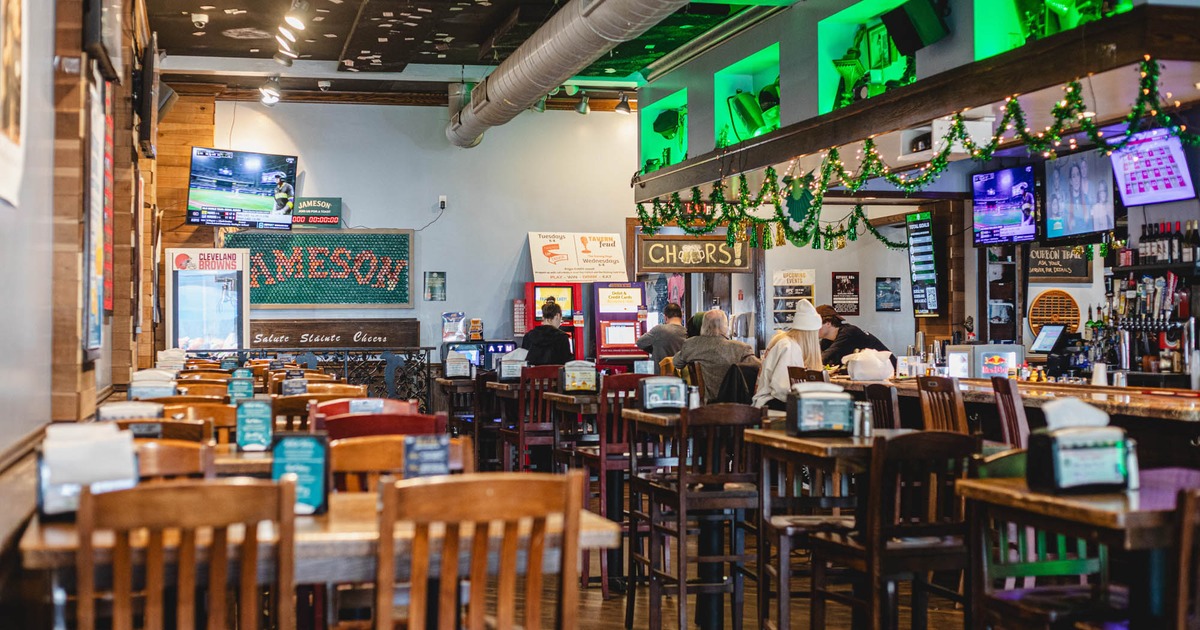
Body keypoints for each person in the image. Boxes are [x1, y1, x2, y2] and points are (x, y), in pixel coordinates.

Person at [673, 309, 759, 403]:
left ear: (704, 325)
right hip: (735, 401)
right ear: (725, 326)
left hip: (706, 402)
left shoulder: (691, 344)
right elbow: (759, 369)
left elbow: (676, 363)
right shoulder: (740, 348)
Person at [752, 301, 823, 410]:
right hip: (770, 406)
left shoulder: (786, 342)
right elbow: (781, 390)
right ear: (811, 335)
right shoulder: (790, 348)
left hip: (769, 403)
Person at [816, 304, 894, 368]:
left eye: (815, 324)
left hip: (888, 371)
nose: (813, 329)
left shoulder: (848, 332)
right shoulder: (826, 341)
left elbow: (823, 358)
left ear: (828, 323)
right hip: (869, 374)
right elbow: (826, 362)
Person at [636, 302, 687, 374]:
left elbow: (640, 342)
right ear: (681, 316)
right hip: (681, 378)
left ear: (665, 317)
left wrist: (654, 350)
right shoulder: (687, 333)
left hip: (661, 378)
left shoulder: (659, 330)